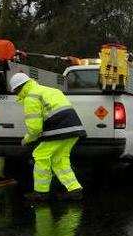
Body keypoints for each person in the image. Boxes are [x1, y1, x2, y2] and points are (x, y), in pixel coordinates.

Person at [8, 73, 86, 202]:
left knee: (40, 155)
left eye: (15, 91)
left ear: (18, 88)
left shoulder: (31, 97)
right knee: (59, 159)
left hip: (58, 130)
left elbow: (35, 128)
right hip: (74, 129)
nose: (16, 94)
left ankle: (41, 193)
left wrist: (26, 140)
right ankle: (75, 190)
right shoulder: (49, 90)